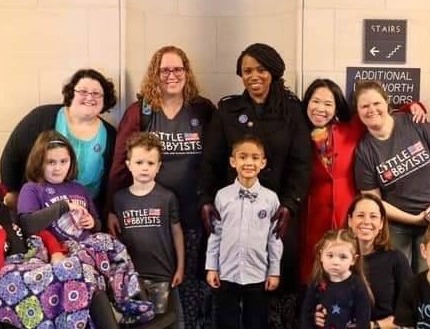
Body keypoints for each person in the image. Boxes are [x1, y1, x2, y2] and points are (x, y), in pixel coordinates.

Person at [198, 42, 311, 327]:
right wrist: (206, 200)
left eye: (261, 69)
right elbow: (210, 161)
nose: (254, 76)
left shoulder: (291, 110)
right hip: (234, 210)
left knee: (273, 285)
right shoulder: (228, 111)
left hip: (276, 212)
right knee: (230, 293)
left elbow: (301, 164)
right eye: (247, 71)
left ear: (273, 72)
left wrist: (290, 205)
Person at [0, 166, 121, 329]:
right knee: (78, 273)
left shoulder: (1, 215)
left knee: (93, 265)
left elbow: (35, 233)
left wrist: (55, 252)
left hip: (34, 267)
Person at [107, 46, 214, 328]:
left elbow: (214, 159)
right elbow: (120, 162)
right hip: (146, 218)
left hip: (191, 214)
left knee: (189, 281)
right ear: (155, 74)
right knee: (148, 287)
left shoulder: (202, 109)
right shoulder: (140, 112)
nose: (171, 75)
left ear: (186, 72)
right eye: (164, 70)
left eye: (177, 69)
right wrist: (111, 209)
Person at [299, 79, 426, 284]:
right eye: (315, 102)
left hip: (349, 212)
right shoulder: (299, 134)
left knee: (351, 266)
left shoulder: (350, 129)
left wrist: (412, 106)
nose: (321, 109)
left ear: (337, 107)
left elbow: (378, 113)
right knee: (314, 268)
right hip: (313, 215)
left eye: (328, 104)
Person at [353, 79, 430, 273]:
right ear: (358, 111)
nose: (371, 110)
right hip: (396, 226)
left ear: (387, 102)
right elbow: (374, 199)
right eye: (364, 106)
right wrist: (414, 219)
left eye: (376, 103)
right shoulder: (364, 151)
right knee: (401, 280)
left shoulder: (414, 121)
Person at [0, 69, 118, 211]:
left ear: (105, 99)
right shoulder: (41, 117)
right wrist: (11, 193)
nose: (90, 97)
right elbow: (11, 155)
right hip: (40, 211)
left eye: (96, 93)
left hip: (85, 215)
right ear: (71, 93)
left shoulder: (111, 134)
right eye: (83, 92)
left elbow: (114, 179)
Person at [205, 135, 283, 329]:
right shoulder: (222, 196)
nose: (249, 162)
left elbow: (275, 239)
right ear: (233, 161)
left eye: (255, 158)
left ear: (263, 163)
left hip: (257, 274)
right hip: (227, 272)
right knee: (226, 322)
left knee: (256, 322)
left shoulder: (271, 199)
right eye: (243, 157)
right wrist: (212, 267)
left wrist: (274, 271)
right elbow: (216, 234)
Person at [113, 132, 185, 319]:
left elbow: (177, 233)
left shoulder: (167, 197)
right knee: (133, 321)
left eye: (150, 163)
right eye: (139, 162)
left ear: (158, 166)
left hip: (162, 275)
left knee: (158, 321)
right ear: (128, 165)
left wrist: (181, 267)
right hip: (131, 276)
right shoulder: (119, 199)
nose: (145, 168)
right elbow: (115, 240)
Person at [314, 193, 412, 329]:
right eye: (360, 215)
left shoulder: (396, 259)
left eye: (373, 216)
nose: (366, 221)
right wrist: (317, 315)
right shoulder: (332, 258)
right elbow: (319, 301)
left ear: (381, 223)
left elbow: (409, 312)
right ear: (350, 220)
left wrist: (374, 325)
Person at [17, 130, 101, 243]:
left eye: (64, 161)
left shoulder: (79, 188)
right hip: (54, 252)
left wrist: (92, 223)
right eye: (51, 162)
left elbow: (97, 223)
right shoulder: (31, 189)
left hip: (86, 246)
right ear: (39, 162)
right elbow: (27, 225)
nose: (58, 168)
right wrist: (64, 206)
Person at [300, 228, 371, 329]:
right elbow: (306, 316)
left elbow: (363, 321)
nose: (335, 262)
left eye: (343, 257)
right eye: (330, 255)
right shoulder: (317, 282)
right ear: (321, 256)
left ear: (353, 260)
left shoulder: (357, 285)